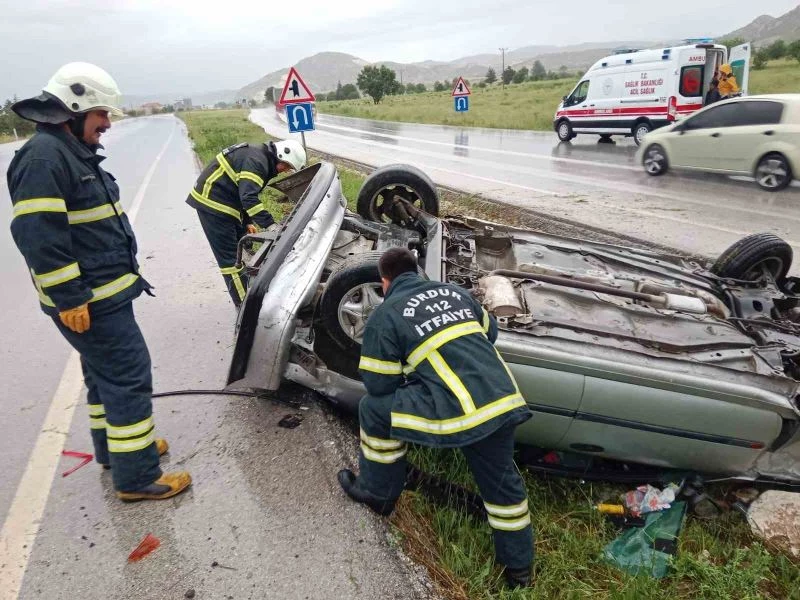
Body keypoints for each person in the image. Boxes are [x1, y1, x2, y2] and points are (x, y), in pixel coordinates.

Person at [7, 62, 191, 502]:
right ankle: (138, 475)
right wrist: (70, 296)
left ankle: (118, 450)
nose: (107, 123)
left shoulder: (67, 153)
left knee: (103, 375)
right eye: (101, 114)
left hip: (100, 295)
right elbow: (37, 235)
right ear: (73, 108)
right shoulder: (44, 158)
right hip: (87, 298)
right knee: (128, 374)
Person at [337, 247, 536, 588]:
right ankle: (520, 573)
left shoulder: (386, 316)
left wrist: (412, 368)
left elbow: (379, 385)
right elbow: (490, 334)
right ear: (415, 270)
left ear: (385, 282)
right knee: (503, 489)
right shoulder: (455, 292)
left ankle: (378, 492)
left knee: (373, 409)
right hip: (502, 401)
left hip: (460, 410)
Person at [186, 139, 306, 308]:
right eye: (286, 166)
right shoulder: (257, 162)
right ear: (279, 156)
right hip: (213, 206)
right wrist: (271, 225)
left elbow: (243, 189)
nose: (284, 171)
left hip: (226, 202)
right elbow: (248, 197)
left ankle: (249, 290)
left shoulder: (260, 158)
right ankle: (245, 306)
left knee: (243, 249)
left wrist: (248, 220)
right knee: (231, 259)